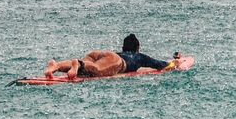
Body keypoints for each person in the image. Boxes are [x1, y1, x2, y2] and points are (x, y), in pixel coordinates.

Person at [43, 34, 178, 80]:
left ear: (123, 48)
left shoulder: (120, 53)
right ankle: (77, 63)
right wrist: (174, 63)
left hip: (101, 54)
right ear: (137, 48)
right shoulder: (139, 56)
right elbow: (160, 65)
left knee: (88, 68)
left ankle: (56, 66)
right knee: (96, 70)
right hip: (116, 61)